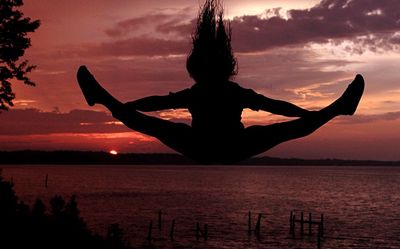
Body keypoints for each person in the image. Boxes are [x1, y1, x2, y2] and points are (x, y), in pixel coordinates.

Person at [77, 0, 364, 164]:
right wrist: (310, 116)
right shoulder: (222, 91)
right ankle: (338, 108)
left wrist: (124, 109)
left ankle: (103, 99)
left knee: (156, 125)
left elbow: (157, 104)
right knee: (280, 130)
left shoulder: (202, 91)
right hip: (230, 146)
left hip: (203, 146)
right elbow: (275, 106)